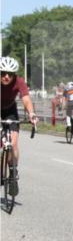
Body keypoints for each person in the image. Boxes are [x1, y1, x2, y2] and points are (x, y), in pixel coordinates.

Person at [0, 56, 39, 196]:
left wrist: (31, 114)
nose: (6, 77)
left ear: (14, 75)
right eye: (2, 73)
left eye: (9, 74)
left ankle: (13, 171)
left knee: (14, 144)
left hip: (10, 111)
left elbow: (26, 99)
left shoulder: (19, 82)